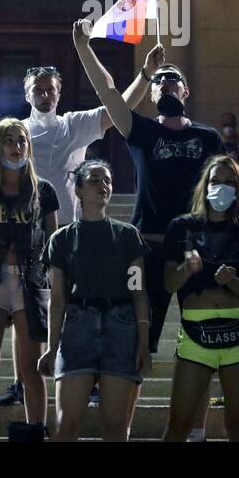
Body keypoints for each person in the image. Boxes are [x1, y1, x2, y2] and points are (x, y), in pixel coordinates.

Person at [2, 58, 155, 408]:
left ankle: (88, 374)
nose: (44, 94)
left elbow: (121, 106)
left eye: (50, 89)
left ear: (59, 93)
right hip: (28, 233)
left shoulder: (76, 124)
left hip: (72, 233)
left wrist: (145, 75)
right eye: (37, 90)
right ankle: (22, 381)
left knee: (73, 303)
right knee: (26, 309)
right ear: (27, 94)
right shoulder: (16, 133)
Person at [73, 18, 223, 363]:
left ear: (186, 92)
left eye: (174, 81)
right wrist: (84, 47)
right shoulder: (141, 131)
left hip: (195, 249)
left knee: (204, 341)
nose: (167, 84)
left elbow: (224, 189)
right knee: (142, 340)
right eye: (160, 82)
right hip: (151, 247)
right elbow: (108, 93)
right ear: (151, 94)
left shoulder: (208, 137)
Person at [38, 159, 149, 441]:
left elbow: (139, 293)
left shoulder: (128, 235)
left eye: (108, 181)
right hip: (78, 325)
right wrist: (52, 347)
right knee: (66, 423)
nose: (103, 186)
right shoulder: (62, 239)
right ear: (78, 189)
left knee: (115, 425)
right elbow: (58, 298)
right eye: (94, 180)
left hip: (120, 324)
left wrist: (144, 343)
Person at [0, 118, 59, 442]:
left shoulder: (43, 190)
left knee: (33, 370)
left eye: (21, 140)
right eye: (8, 140)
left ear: (28, 146)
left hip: (31, 283)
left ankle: (36, 434)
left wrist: (45, 284)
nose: (16, 146)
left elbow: (53, 241)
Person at [163, 156, 239, 442]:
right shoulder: (181, 227)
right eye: (216, 181)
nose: (222, 187)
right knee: (179, 424)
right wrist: (186, 269)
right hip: (196, 335)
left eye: (230, 182)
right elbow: (169, 283)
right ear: (204, 186)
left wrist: (233, 281)